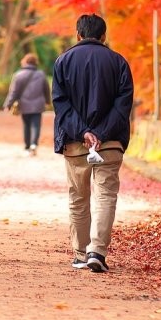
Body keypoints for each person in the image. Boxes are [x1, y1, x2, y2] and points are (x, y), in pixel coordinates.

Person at [51, 14, 134, 273]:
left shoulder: (63, 61)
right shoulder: (119, 62)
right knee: (106, 195)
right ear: (103, 36)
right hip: (109, 144)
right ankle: (97, 250)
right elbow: (123, 105)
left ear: (78, 34)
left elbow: (60, 104)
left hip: (75, 144)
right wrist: (101, 132)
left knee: (78, 197)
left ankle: (79, 253)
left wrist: (84, 132)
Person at [3, 53, 51, 156]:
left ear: (25, 62)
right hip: (38, 105)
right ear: (35, 63)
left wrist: (8, 104)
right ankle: (34, 145)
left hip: (24, 105)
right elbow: (46, 89)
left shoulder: (19, 74)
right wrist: (48, 101)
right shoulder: (41, 74)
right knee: (36, 125)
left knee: (26, 125)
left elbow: (14, 92)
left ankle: (27, 146)